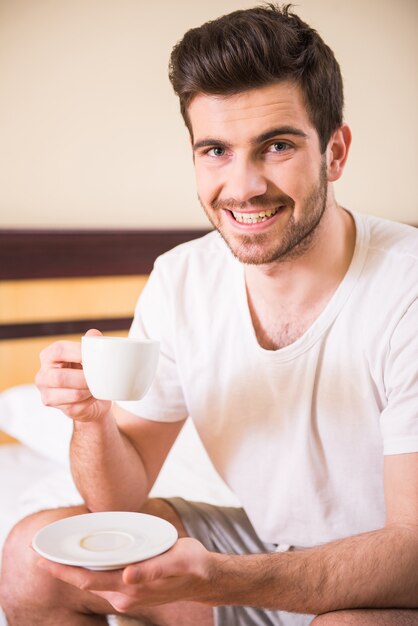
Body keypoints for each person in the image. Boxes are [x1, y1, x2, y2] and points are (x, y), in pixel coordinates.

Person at [1, 4, 417, 626]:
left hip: (384, 579)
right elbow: (121, 496)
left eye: (277, 146)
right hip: (263, 550)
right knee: (29, 560)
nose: (243, 186)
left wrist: (220, 578)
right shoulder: (181, 279)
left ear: (335, 152)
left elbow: (412, 552)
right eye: (217, 150)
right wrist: (91, 421)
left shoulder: (406, 286)